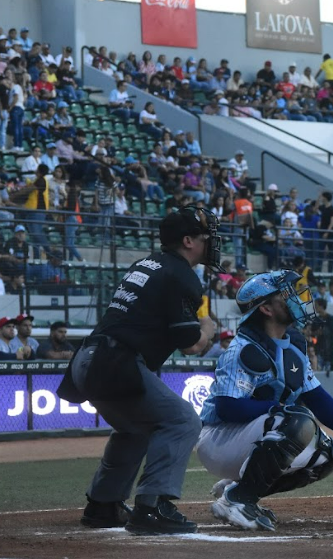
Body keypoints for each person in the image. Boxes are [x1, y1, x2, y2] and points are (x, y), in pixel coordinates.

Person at [58, 206, 223, 535]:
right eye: (206, 238)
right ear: (188, 241)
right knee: (182, 420)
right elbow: (190, 344)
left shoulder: (146, 263)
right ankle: (153, 506)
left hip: (89, 358)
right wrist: (207, 328)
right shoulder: (180, 273)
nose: (212, 244)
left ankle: (103, 505)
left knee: (136, 429)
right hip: (114, 362)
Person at [196, 270, 333, 531]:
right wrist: (278, 409)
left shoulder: (293, 344)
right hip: (218, 439)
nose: (294, 297)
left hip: (256, 435)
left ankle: (242, 489)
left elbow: (314, 394)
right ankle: (237, 499)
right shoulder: (242, 349)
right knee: (296, 420)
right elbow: (227, 407)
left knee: (329, 455)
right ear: (266, 308)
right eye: (285, 294)